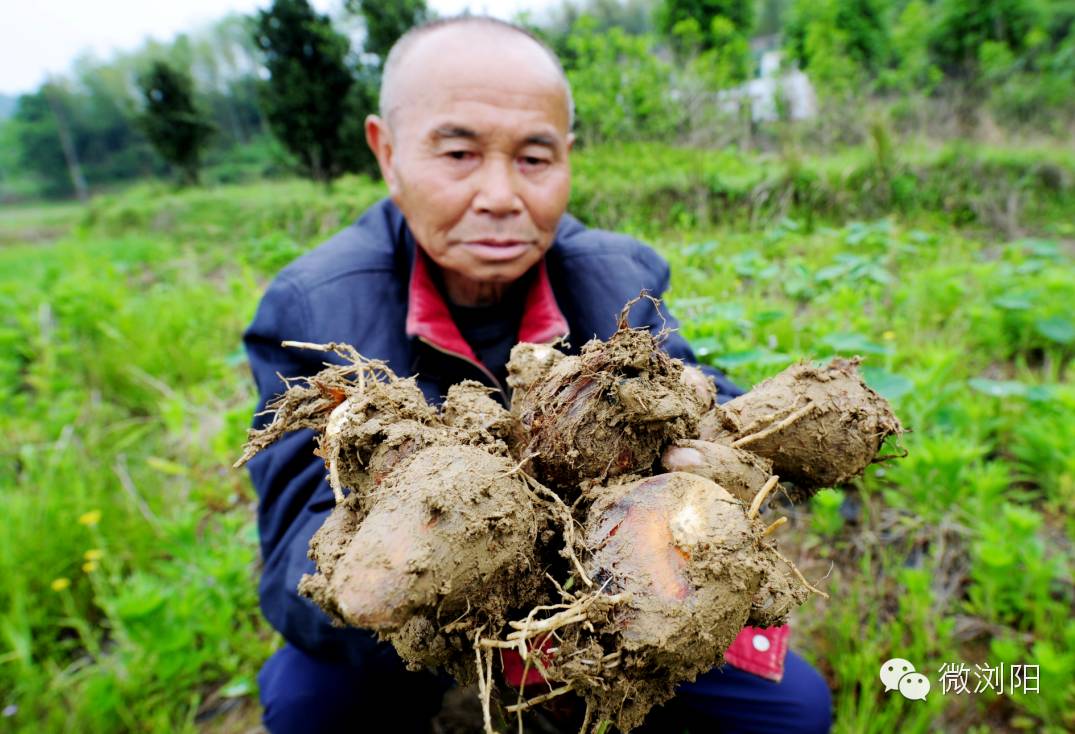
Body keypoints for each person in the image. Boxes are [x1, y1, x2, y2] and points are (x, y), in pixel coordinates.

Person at [243, 16, 832, 734]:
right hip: (421, 619)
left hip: (609, 583)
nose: (499, 195)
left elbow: (687, 392)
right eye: (458, 152)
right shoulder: (314, 311)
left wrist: (737, 443)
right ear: (386, 151)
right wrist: (430, 563)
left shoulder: (618, 279)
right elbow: (293, 561)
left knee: (792, 714)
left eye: (533, 159)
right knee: (312, 709)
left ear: (568, 159)